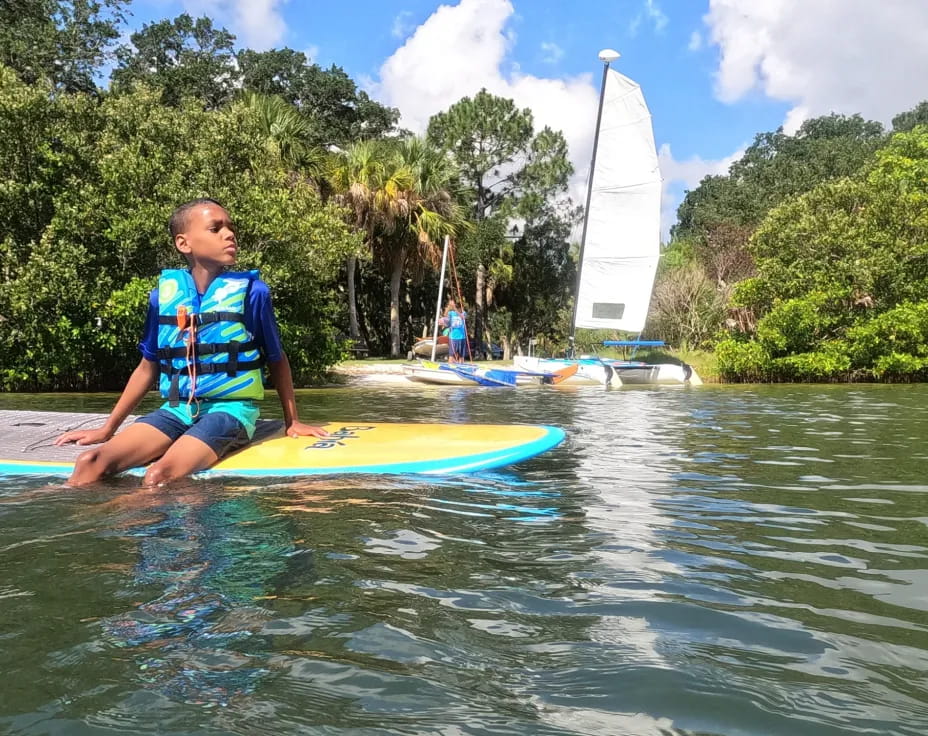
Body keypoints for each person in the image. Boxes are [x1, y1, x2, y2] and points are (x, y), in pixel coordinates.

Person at [55, 198, 328, 486]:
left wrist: (292, 422)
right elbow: (147, 368)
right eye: (215, 228)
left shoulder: (254, 293)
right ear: (183, 243)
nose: (229, 235)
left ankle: (131, 511)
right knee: (89, 462)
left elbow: (276, 358)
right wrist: (108, 429)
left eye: (230, 228)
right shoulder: (162, 298)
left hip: (231, 411)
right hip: (177, 409)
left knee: (159, 475)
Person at [443, 299, 468, 363]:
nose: (461, 309)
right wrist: (449, 306)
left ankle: (461, 366)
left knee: (461, 356)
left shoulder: (464, 313)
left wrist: (455, 309)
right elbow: (445, 316)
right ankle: (450, 366)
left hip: (462, 337)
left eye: (462, 308)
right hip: (453, 337)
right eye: (460, 308)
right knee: (451, 355)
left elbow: (462, 317)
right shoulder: (451, 313)